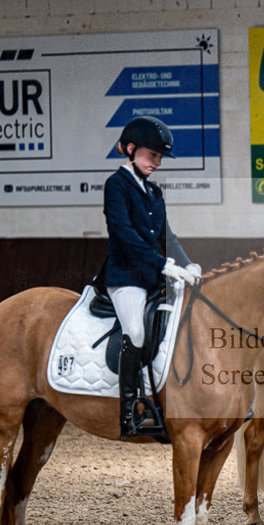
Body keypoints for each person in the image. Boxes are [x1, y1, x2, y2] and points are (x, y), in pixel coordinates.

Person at [103, 116, 201, 438]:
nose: (157, 162)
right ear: (131, 149)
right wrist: (162, 264)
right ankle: (131, 411)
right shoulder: (115, 186)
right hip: (126, 276)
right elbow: (126, 234)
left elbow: (168, 236)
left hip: (155, 274)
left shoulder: (154, 191)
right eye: (152, 155)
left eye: (160, 157)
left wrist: (188, 264)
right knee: (136, 331)